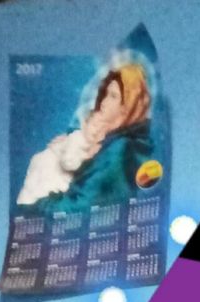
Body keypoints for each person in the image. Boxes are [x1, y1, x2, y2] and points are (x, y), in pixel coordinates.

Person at [19, 64, 154, 215]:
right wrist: (72, 138)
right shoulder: (120, 137)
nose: (104, 102)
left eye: (113, 96)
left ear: (127, 104)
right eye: (106, 94)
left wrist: (34, 208)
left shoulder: (120, 150)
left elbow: (80, 205)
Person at [16, 111, 108, 206]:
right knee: (41, 190)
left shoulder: (89, 143)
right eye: (94, 125)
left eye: (101, 129)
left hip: (49, 163)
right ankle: (25, 204)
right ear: (84, 125)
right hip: (50, 164)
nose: (96, 131)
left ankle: (25, 202)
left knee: (35, 190)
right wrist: (87, 156)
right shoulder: (77, 138)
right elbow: (67, 163)